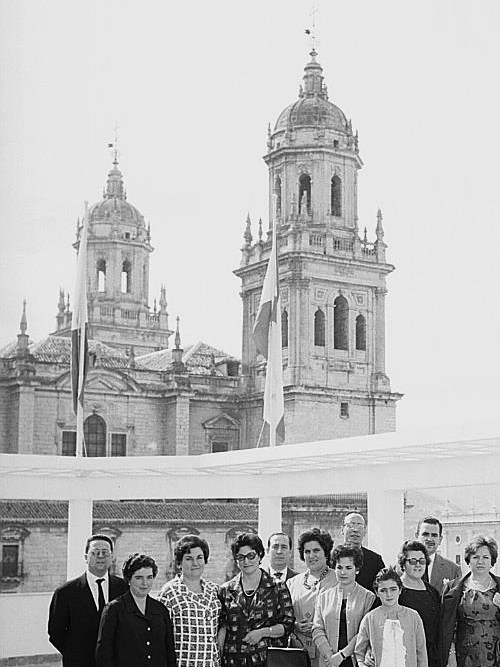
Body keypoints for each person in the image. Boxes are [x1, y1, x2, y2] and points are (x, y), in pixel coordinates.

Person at [48, 534, 128, 667]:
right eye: (95, 552)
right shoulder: (65, 593)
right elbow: (55, 632)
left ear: (112, 556)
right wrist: (75, 654)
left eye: (105, 552)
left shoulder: (124, 588)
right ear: (86, 557)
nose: (101, 556)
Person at [218, 532, 294, 667]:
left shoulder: (277, 587)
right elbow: (223, 626)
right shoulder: (226, 590)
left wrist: (262, 632)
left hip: (267, 660)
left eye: (250, 556)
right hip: (234, 660)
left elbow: (287, 625)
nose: (246, 561)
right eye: (241, 557)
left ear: (260, 555)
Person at [95, 553, 176, 667]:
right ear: (129, 579)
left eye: (149, 577)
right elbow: (104, 655)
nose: (145, 583)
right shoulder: (114, 610)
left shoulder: (161, 610)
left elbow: (170, 653)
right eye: (139, 578)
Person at [157, 535, 221, 667]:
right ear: (179, 563)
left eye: (199, 558)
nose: (195, 563)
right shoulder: (169, 593)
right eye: (189, 559)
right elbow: (159, 638)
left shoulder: (215, 591)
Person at [440, 535, 500, 667]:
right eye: (475, 557)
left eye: (485, 557)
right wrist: (451, 655)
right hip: (464, 657)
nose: (480, 561)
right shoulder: (452, 588)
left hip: (496, 656)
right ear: (468, 560)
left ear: (492, 561)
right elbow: (447, 627)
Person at [313, 545, 375, 667]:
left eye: (348, 568)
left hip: (355, 661)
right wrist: (330, 656)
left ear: (357, 569)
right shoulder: (323, 596)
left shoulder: (369, 597)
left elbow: (365, 632)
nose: (343, 572)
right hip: (328, 662)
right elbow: (317, 629)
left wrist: (342, 655)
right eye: (339, 567)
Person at [355, 567, 428, 667]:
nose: (389, 595)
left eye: (393, 589)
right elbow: (359, 651)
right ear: (377, 592)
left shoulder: (413, 617)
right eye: (383, 590)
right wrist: (362, 662)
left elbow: (421, 653)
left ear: (400, 590)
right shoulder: (369, 618)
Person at [287, 528, 337, 667]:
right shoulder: (292, 583)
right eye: (307, 551)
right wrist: (295, 625)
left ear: (326, 553)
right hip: (297, 651)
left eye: (316, 550)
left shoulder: (338, 580)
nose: (311, 555)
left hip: (327, 652)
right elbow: (283, 617)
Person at [398, 540, 440, 667]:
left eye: (422, 561)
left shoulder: (432, 592)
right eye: (412, 561)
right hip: (402, 656)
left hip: (430, 657)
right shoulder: (394, 590)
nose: (418, 565)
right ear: (403, 563)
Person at [415, 517, 461, 594]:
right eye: (425, 534)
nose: (429, 539)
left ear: (440, 539)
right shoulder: (402, 568)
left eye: (434, 535)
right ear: (417, 536)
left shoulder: (453, 570)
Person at [342, 513, 384, 592]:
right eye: (350, 525)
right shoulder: (332, 557)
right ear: (342, 530)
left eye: (359, 526)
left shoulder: (375, 560)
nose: (355, 530)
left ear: (365, 531)